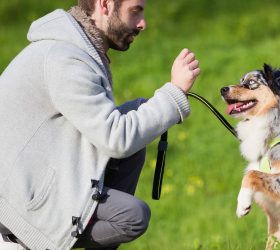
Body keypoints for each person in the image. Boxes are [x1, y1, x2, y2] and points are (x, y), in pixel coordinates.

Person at [0, 0, 200, 249]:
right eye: (135, 11)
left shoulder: (77, 49)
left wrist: (146, 110)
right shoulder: (65, 59)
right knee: (131, 217)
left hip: (37, 180)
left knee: (135, 131)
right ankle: (19, 241)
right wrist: (174, 94)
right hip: (19, 202)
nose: (143, 23)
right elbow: (117, 140)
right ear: (105, 5)